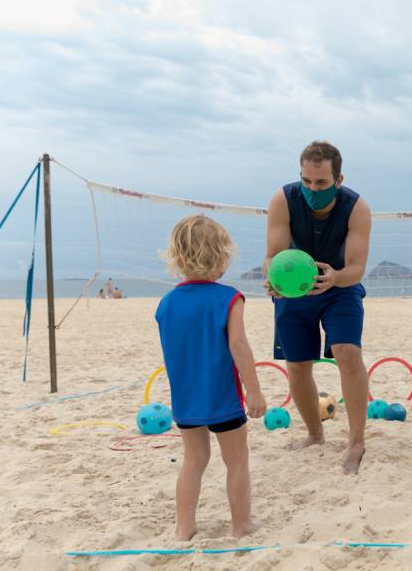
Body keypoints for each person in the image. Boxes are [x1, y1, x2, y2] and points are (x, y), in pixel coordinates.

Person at [156, 215, 266, 541]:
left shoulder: (167, 303)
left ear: (177, 257)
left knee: (193, 461)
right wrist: (255, 391)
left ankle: (184, 528)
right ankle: (241, 525)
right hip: (224, 398)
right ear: (220, 258)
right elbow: (239, 346)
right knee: (236, 460)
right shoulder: (228, 298)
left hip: (186, 398)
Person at [264, 141, 372, 474]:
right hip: (294, 291)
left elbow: (356, 268)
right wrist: (273, 280)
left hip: (339, 287)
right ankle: (315, 433)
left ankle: (356, 443)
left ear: (338, 180)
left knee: (347, 352)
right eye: (306, 181)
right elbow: (273, 256)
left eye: (321, 183)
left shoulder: (357, 208)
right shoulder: (283, 200)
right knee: (297, 365)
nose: (312, 189)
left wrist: (336, 277)